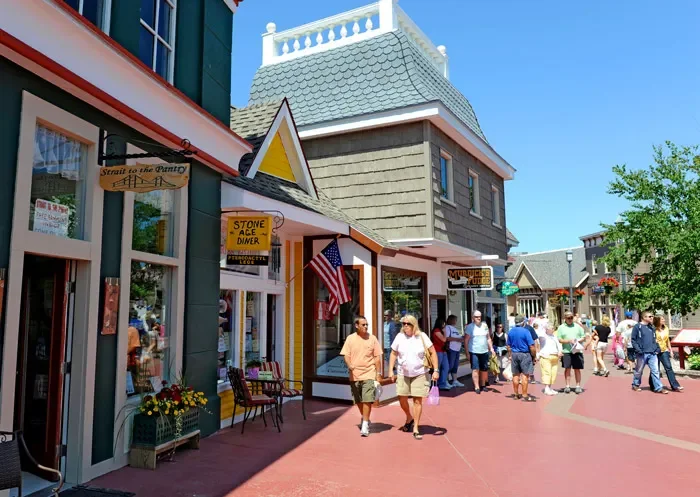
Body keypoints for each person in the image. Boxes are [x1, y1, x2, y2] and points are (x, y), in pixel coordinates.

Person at [388, 314, 440, 440]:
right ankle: (409, 417)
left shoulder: (422, 336)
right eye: (403, 323)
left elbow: (433, 352)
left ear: (414, 324)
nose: (405, 326)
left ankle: (416, 427)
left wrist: (436, 370)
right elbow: (393, 353)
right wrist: (390, 370)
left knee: (417, 401)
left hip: (420, 373)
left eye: (408, 323)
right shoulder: (400, 337)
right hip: (402, 373)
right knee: (402, 398)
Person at [340, 315, 383, 437]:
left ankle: (364, 424)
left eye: (367, 324)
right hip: (354, 375)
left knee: (367, 399)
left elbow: (377, 358)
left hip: (369, 373)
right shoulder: (350, 339)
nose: (366, 326)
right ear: (356, 326)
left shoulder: (372, 339)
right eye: (363, 325)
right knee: (358, 400)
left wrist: (378, 374)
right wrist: (349, 365)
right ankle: (365, 418)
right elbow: (346, 355)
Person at [506, 314, 537, 402]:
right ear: (523, 322)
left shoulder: (511, 331)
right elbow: (531, 346)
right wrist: (534, 356)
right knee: (525, 375)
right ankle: (524, 394)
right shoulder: (525, 331)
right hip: (524, 354)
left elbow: (508, 346)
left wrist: (510, 355)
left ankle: (516, 394)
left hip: (515, 354)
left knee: (515, 375)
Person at [465, 311, 496, 394]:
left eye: (479, 317)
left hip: (484, 350)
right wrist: (467, 353)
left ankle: (483, 385)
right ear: (473, 318)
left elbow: (488, 338)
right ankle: (476, 386)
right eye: (476, 317)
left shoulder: (484, 325)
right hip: (474, 351)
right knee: (475, 369)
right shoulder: (470, 327)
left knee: (484, 369)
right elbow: (466, 340)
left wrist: (491, 348)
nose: (478, 318)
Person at [649, 315, 683, 392]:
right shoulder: (653, 329)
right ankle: (653, 385)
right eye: (662, 319)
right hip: (655, 351)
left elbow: (667, 340)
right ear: (658, 321)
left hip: (664, 350)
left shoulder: (666, 328)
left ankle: (675, 385)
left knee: (668, 368)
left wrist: (670, 350)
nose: (664, 320)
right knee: (655, 369)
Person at [557, 311, 586, 394]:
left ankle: (578, 386)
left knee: (577, 368)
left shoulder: (578, 327)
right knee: (567, 368)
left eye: (571, 318)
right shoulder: (561, 327)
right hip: (566, 351)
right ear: (565, 318)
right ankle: (567, 386)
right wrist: (568, 341)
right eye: (568, 318)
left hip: (577, 350)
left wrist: (578, 340)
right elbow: (559, 339)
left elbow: (583, 337)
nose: (570, 319)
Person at [537, 323, 563, 395]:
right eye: (551, 328)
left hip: (554, 356)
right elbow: (539, 334)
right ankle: (546, 388)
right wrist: (544, 326)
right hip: (545, 356)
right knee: (547, 372)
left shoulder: (554, 336)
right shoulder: (543, 336)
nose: (553, 329)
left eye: (553, 328)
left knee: (553, 373)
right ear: (547, 329)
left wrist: (560, 351)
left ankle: (549, 387)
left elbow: (558, 344)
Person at [431, 317, 451, 391]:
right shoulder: (436, 331)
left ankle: (442, 383)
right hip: (437, 351)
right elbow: (444, 339)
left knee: (446, 367)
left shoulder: (441, 330)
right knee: (437, 367)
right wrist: (445, 332)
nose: (444, 325)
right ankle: (435, 384)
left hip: (443, 351)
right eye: (443, 323)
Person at [444, 315, 464, 387]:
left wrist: (462, 338)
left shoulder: (455, 329)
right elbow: (447, 338)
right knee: (450, 365)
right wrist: (457, 339)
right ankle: (445, 381)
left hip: (457, 349)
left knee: (455, 366)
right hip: (451, 349)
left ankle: (455, 380)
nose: (456, 321)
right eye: (455, 320)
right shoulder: (448, 327)